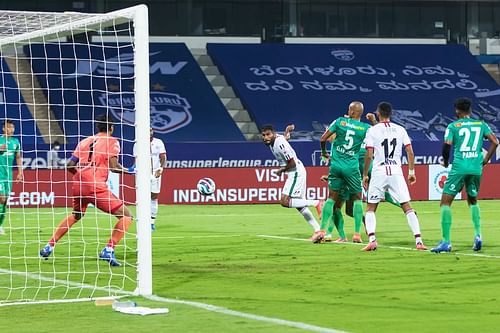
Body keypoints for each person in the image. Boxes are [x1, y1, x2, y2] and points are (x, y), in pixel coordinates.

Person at [40, 114, 135, 266]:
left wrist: (81, 176)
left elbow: (70, 165)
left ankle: (49, 246)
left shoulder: (85, 141)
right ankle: (109, 249)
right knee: (127, 216)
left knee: (76, 215)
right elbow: (114, 167)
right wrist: (130, 170)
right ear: (111, 128)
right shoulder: (112, 141)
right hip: (95, 186)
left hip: (78, 185)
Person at [431, 98, 499, 253]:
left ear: (457, 111)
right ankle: (478, 235)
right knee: (473, 200)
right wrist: (486, 159)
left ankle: (446, 242)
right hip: (476, 167)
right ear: (470, 110)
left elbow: (446, 146)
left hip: (460, 167)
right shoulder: (481, 124)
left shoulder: (453, 126)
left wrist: (446, 163)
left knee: (445, 203)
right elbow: (495, 142)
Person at [362, 102, 426, 251]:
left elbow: (369, 154)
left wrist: (365, 174)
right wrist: (411, 172)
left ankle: (372, 240)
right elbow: (410, 152)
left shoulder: (372, 130)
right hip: (396, 171)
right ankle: (419, 241)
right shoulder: (400, 129)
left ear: (378, 113)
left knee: (371, 207)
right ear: (391, 114)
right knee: (406, 206)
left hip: (379, 172)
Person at [313, 101, 370, 243]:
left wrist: (324, 152)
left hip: (336, 166)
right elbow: (372, 148)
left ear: (351, 112)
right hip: (352, 167)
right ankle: (357, 234)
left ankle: (322, 230)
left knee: (331, 198)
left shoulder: (340, 122)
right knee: (357, 198)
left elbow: (323, 139)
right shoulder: (365, 128)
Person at [261, 124, 323, 239]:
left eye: (268, 134)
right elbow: (285, 139)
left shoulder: (279, 143)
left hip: (295, 172)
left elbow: (292, 163)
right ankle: (318, 231)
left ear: (273, 134)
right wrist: (287, 131)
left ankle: (316, 203)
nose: (265, 137)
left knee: (285, 201)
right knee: (299, 205)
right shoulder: (276, 140)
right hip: (295, 172)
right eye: (263, 135)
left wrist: (281, 170)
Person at [133, 127, 166, 231]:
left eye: (151, 130)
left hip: (155, 173)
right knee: (142, 198)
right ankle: (142, 221)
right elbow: (136, 160)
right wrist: (136, 171)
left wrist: (161, 168)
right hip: (143, 174)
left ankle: (151, 223)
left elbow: (163, 157)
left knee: (154, 197)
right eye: (147, 130)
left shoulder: (159, 142)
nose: (149, 132)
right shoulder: (137, 144)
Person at [0, 120, 23, 235]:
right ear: (4, 129)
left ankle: (0, 225)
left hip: (8, 176)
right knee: (1, 198)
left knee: (5, 202)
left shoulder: (15, 142)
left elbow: (18, 157)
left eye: (13, 127)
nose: (12, 129)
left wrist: (20, 172)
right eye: (9, 127)